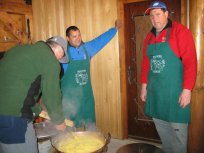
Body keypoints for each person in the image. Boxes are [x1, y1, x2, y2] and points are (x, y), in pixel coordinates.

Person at [140, 1, 197, 153]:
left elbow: (191, 62)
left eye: (158, 14)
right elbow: (146, 64)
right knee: (164, 135)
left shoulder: (180, 31)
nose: (155, 19)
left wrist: (187, 90)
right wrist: (144, 86)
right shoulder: (149, 37)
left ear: (166, 14)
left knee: (178, 138)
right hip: (156, 94)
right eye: (152, 16)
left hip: (176, 95)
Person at [0, 36, 68, 153]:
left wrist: (36, 109)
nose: (59, 61)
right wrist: (59, 121)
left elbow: (17, 87)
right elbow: (52, 96)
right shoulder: (50, 60)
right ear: (58, 50)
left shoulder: (18, 50)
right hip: (14, 119)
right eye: (61, 57)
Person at [61, 19, 121, 131]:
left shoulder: (86, 49)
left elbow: (100, 40)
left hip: (86, 96)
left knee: (90, 126)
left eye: (79, 35)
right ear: (68, 38)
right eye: (74, 36)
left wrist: (115, 29)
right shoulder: (63, 54)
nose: (78, 38)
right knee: (70, 129)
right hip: (70, 99)